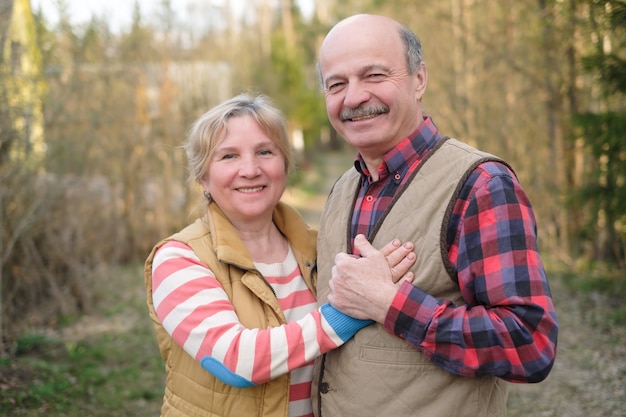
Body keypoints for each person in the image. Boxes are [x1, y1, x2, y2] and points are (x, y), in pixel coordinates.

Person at [312, 14, 559, 417]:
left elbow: (531, 345)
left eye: (374, 75)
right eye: (336, 84)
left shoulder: (481, 185)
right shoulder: (343, 189)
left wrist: (390, 303)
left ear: (419, 79)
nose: (353, 97)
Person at [144, 93, 416, 417]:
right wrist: (352, 311)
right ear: (203, 177)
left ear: (285, 165)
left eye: (265, 152)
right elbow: (236, 361)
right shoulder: (179, 259)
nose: (250, 169)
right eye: (229, 156)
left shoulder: (324, 247)